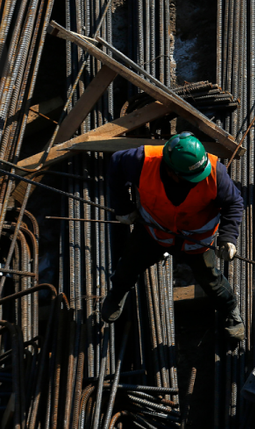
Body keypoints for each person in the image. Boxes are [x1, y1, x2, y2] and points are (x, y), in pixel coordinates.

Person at [101, 131, 245, 344]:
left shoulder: (215, 172)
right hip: (155, 230)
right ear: (170, 170)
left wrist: (228, 237)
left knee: (212, 280)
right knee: (128, 266)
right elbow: (116, 163)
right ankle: (116, 295)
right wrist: (122, 207)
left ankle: (230, 310)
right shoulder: (142, 161)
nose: (197, 181)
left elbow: (234, 203)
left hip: (197, 238)